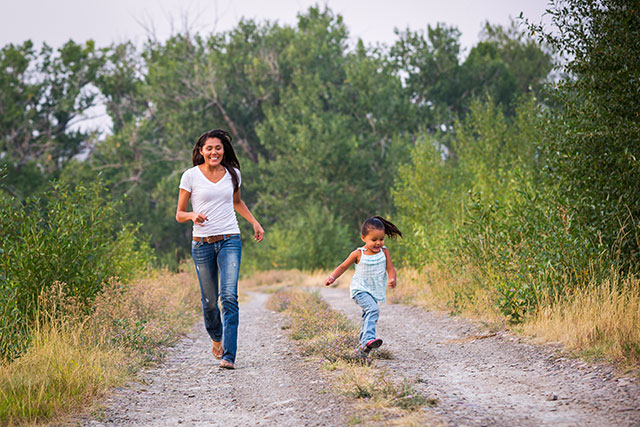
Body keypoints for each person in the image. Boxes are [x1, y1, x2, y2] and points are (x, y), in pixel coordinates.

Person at [176, 129, 264, 370]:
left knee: (229, 297)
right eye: (209, 148)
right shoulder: (190, 176)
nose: (214, 152)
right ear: (201, 151)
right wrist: (192, 214)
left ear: (224, 150)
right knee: (209, 301)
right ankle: (216, 337)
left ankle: (229, 355)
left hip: (230, 240)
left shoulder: (233, 173)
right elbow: (179, 214)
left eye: (218, 147)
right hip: (202, 244)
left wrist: (254, 222)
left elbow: (237, 202)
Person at [324, 216, 402, 354]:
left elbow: (390, 268)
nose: (378, 243)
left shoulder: (384, 252)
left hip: (374, 291)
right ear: (363, 238)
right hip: (360, 290)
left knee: (368, 314)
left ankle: (362, 350)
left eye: (381, 239)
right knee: (373, 310)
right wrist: (332, 277)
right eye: (374, 240)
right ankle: (368, 339)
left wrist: (392, 278)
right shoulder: (358, 254)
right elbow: (343, 266)